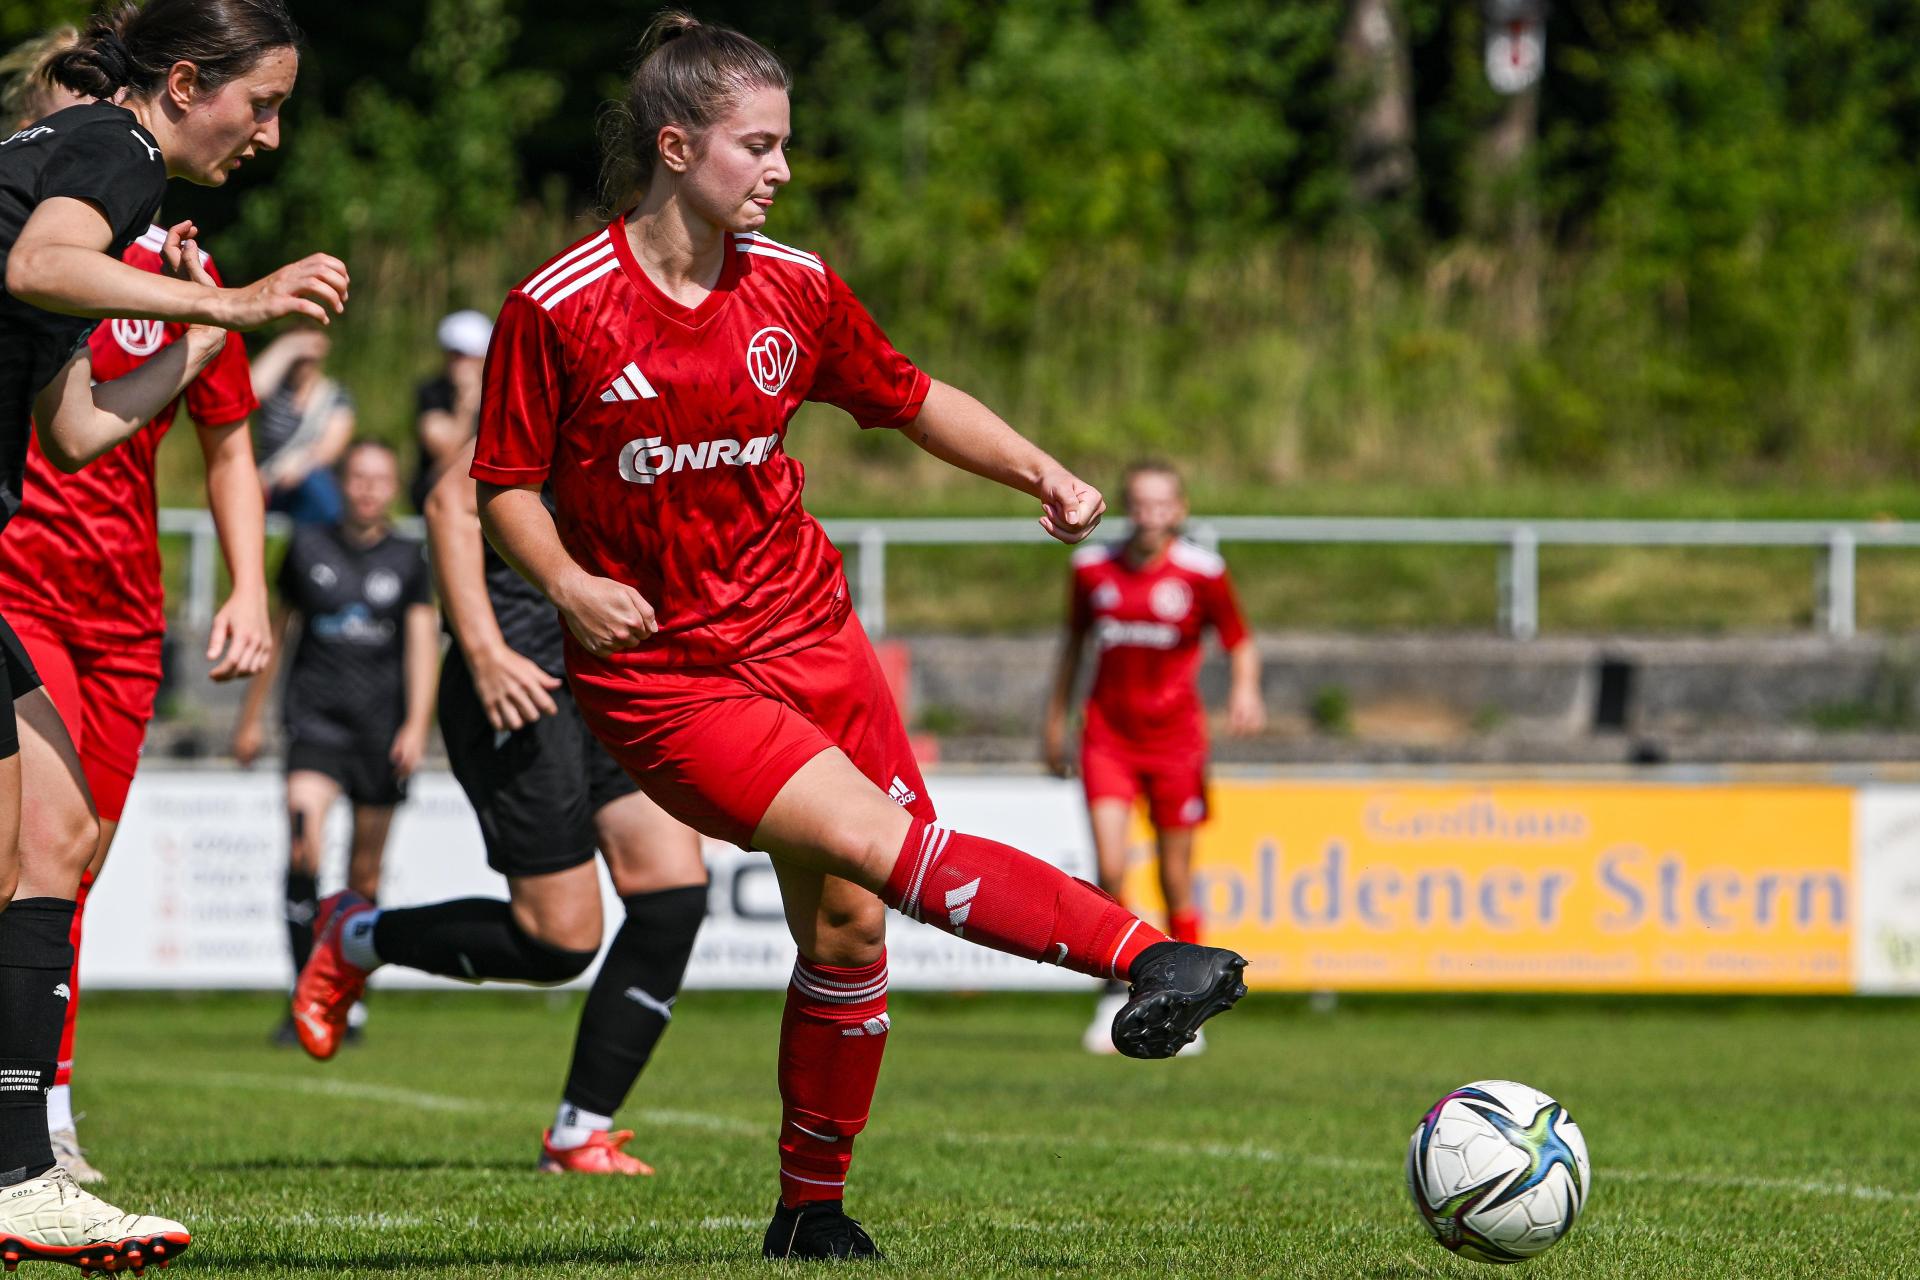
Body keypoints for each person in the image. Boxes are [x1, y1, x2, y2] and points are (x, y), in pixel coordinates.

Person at [292, 13, 1247, 1261]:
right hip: (667, 678)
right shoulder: (559, 306)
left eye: (786, 144)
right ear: (677, 147)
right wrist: (569, 585)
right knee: (875, 844)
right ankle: (1148, 953)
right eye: (761, 146)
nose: (783, 170)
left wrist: (1042, 471)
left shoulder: (792, 284)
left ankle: (809, 1209)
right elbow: (499, 487)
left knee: (849, 923)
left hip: (813, 636)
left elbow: (908, 397)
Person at [0, 0, 345, 1268]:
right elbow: (40, 268)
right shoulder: (116, 146)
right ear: (187, 82)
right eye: (262, 105)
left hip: (80, 595)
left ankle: (20, 1169)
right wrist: (241, 297)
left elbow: (77, 429)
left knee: (51, 838)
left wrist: (207, 330)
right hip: (25, 585)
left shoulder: (87, 182)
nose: (270, 136)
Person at [291, 435, 708, 1176]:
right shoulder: (563, 370)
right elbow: (449, 502)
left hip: (613, 672)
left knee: (672, 895)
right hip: (522, 681)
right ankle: (356, 937)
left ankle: (580, 1134)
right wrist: (483, 652)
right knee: (560, 943)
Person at [1042, 460, 1264, 1056]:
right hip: (1107, 738)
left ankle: (1189, 1007)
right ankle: (1119, 992)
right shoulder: (1091, 569)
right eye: (1140, 503)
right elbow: (1073, 646)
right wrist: (1054, 721)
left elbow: (1239, 641)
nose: (1150, 515)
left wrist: (1245, 690)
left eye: (1162, 504)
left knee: (1174, 877)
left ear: (1180, 509)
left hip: (1175, 742)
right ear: (1126, 507)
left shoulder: (1202, 572)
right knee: (1111, 870)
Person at [232, 440, 434, 1042]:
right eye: (358, 477)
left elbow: (422, 644)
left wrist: (417, 725)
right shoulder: (306, 546)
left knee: (363, 876)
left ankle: (346, 997)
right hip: (314, 725)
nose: (367, 488)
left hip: (381, 731)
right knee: (303, 849)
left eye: (379, 478)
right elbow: (276, 633)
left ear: (392, 488)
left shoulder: (408, 557)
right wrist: (250, 718)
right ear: (343, 483)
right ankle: (303, 994)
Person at [250, 325, 352, 524]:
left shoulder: (335, 396)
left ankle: (327, 537)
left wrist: (297, 467)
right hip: (268, 482)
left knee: (316, 485)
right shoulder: (273, 393)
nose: (304, 361)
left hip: (307, 482)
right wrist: (287, 347)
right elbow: (249, 390)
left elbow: (329, 450)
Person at [409, 309, 488, 514]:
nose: (460, 363)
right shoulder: (432, 393)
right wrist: (466, 405)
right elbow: (446, 456)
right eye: (455, 354)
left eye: (469, 356)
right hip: (437, 500)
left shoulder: (501, 394)